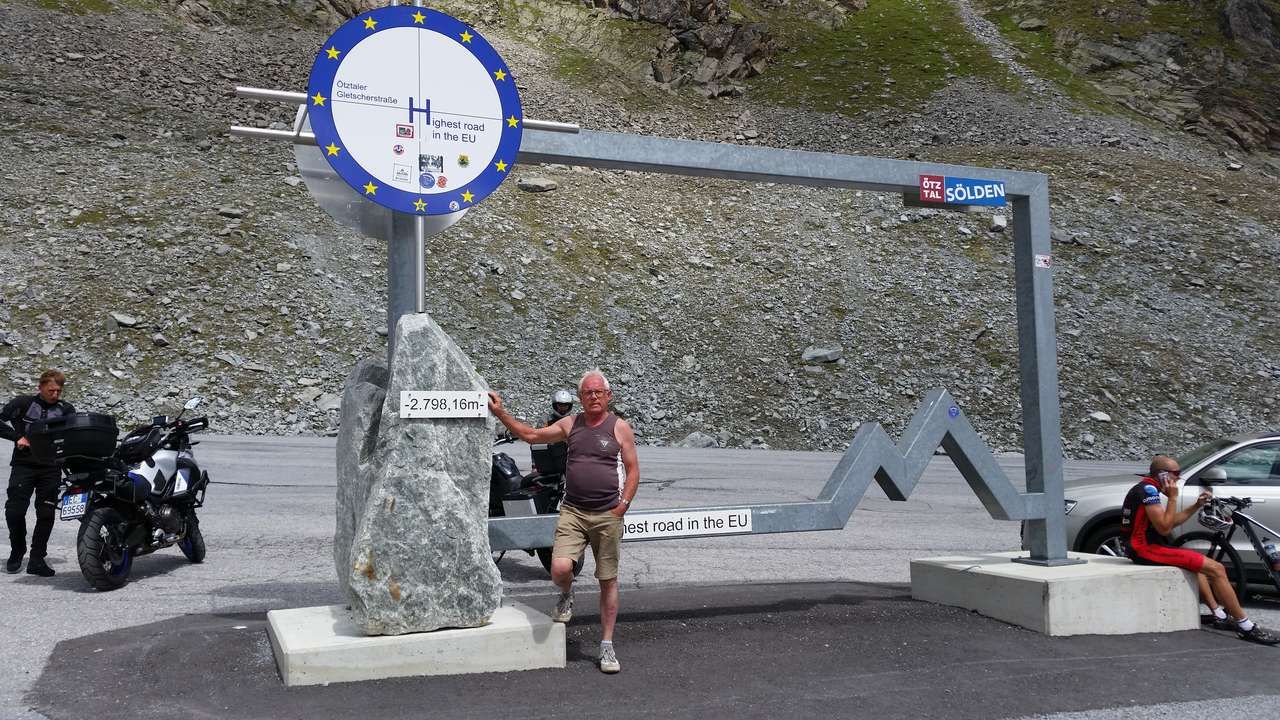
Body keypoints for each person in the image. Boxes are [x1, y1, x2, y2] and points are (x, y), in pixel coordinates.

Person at [488, 370, 639, 673]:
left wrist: (623, 506)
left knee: (607, 579)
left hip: (608, 513)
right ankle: (567, 593)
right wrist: (501, 412)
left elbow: (633, 470)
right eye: (587, 393)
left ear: (608, 396)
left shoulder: (621, 428)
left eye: (598, 392)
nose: (593, 397)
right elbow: (531, 435)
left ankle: (607, 646)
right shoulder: (572, 423)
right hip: (573, 511)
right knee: (559, 568)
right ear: (580, 398)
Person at [1123, 454, 1279, 644]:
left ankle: (1219, 615)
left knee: (1199, 565)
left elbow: (1170, 522)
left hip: (1149, 546)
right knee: (1217, 569)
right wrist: (1173, 498)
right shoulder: (1148, 490)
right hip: (1144, 549)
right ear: (1163, 476)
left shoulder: (1149, 488)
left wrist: (1195, 505)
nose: (1178, 479)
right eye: (1176, 474)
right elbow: (1164, 527)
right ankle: (1245, 626)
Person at [1, 369, 75, 577]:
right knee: (14, 511)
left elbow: (74, 436)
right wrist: (17, 437)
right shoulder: (23, 404)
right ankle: (17, 550)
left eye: (58, 391)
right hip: (24, 465)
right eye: (51, 390)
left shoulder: (66, 409)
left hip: (51, 467)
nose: (55, 395)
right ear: (40, 387)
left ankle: (37, 559)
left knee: (46, 513)